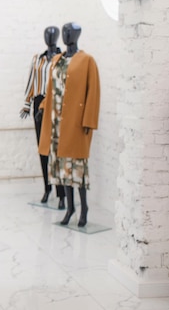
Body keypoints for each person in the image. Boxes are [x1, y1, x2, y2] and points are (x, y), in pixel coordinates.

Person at [38, 22, 100, 227]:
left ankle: (84, 208)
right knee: (62, 171)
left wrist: (89, 122)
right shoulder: (57, 59)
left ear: (78, 34)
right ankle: (70, 208)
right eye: (64, 31)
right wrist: (42, 108)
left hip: (75, 123)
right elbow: (51, 87)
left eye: (69, 31)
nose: (65, 34)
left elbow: (94, 92)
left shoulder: (87, 60)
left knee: (77, 169)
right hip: (56, 123)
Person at [20, 26, 66, 208]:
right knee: (43, 148)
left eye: (53, 34)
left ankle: (62, 193)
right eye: (47, 34)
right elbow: (32, 81)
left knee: (58, 150)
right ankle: (47, 189)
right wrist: (27, 104)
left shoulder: (64, 60)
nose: (50, 37)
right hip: (39, 103)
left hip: (56, 103)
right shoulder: (37, 59)